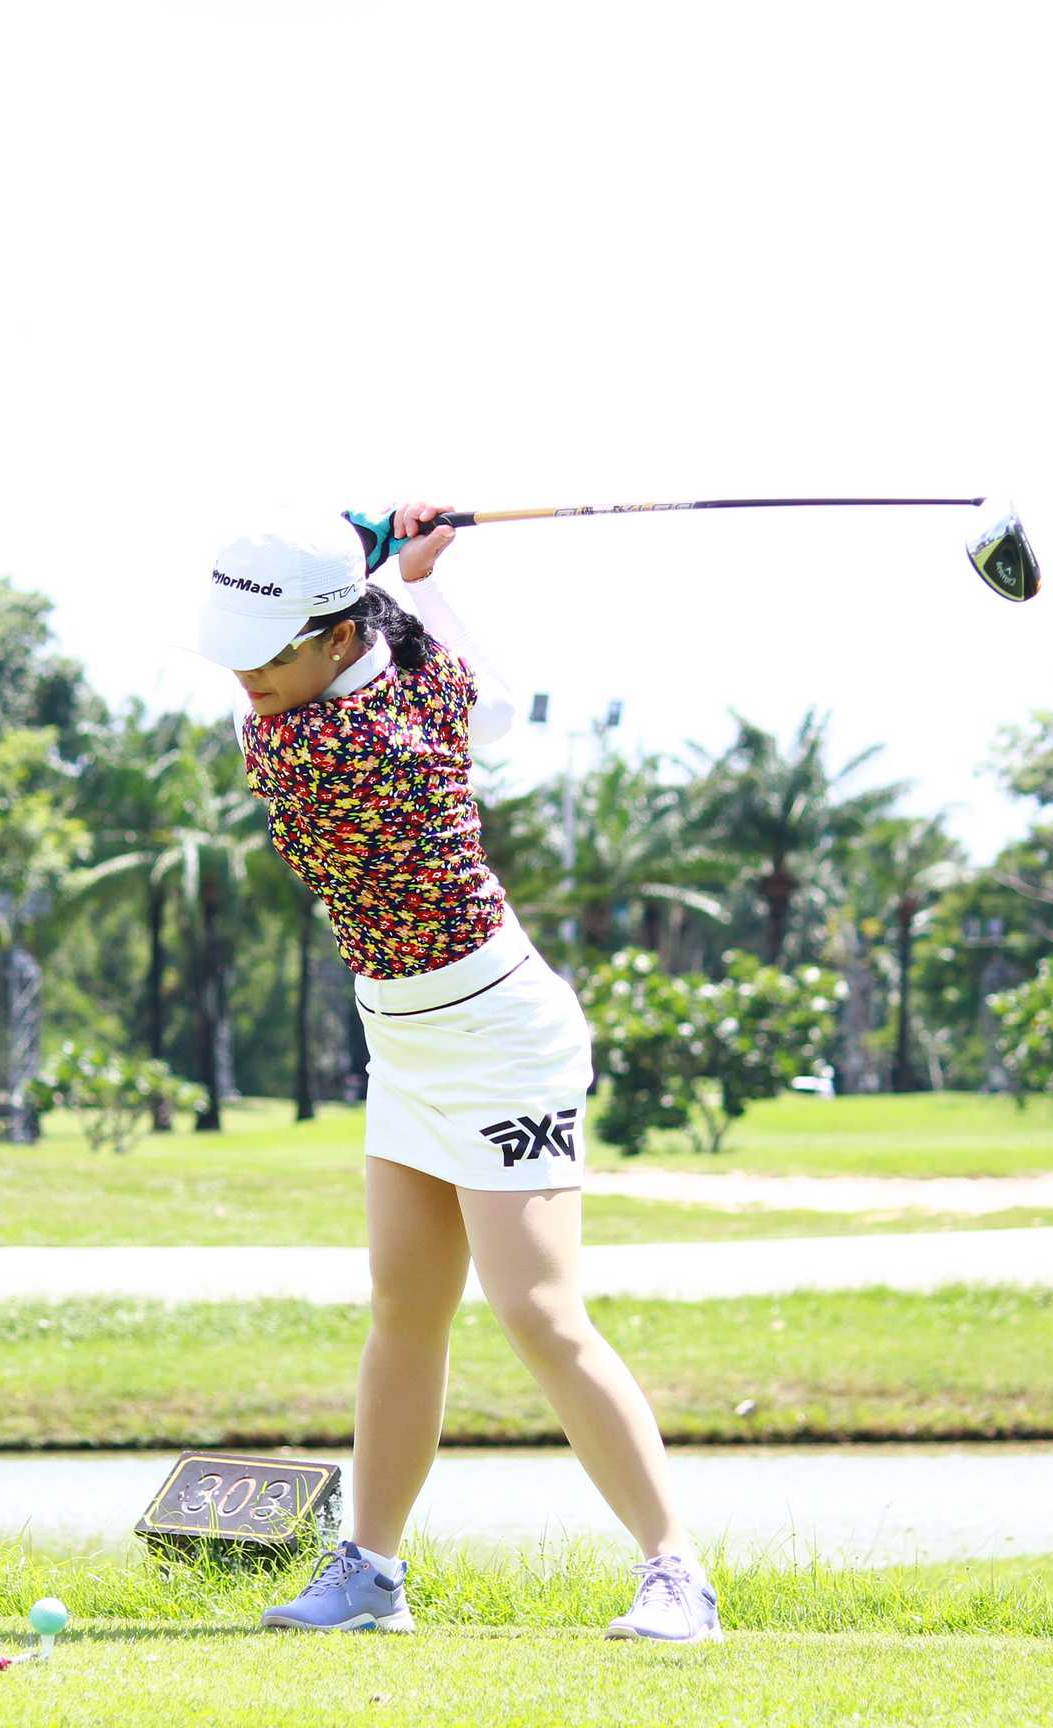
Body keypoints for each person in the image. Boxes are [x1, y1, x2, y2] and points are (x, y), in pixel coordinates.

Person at [187, 502, 719, 1644]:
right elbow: (483, 693)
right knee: (405, 1309)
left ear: (339, 636)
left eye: (267, 656)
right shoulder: (406, 670)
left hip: (501, 1039)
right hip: (405, 1038)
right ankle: (371, 1574)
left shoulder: (324, 745)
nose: (247, 682)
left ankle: (677, 1575)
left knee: (541, 1314)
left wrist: (382, 553)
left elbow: (402, 662)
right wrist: (409, 573)